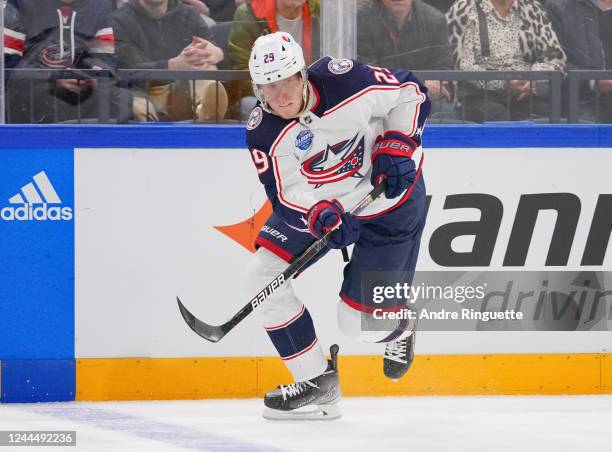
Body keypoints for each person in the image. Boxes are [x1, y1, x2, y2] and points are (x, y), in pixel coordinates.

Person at [245, 31, 429, 419]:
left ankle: (399, 326)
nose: (278, 96)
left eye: (284, 82)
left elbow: (411, 90)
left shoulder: (344, 79)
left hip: (389, 200)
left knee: (356, 325)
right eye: (267, 87)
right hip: (328, 205)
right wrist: (319, 214)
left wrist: (396, 145)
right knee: (262, 278)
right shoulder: (262, 130)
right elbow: (287, 192)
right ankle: (317, 384)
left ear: (301, 74)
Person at [3, 0, 124, 123]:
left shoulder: (101, 5)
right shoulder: (20, 3)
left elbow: (106, 61)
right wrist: (51, 77)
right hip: (29, 111)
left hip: (84, 106)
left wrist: (93, 74)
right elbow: (7, 64)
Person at [446, 0, 566, 122]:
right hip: (479, 94)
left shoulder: (533, 8)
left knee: (541, 112)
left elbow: (555, 58)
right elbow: (463, 65)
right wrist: (502, 82)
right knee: (495, 114)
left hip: (524, 93)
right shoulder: (464, 9)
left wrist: (534, 77)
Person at [113, 0, 228, 122]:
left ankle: (207, 113)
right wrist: (172, 65)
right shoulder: (120, 19)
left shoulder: (189, 13)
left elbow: (210, 47)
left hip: (184, 87)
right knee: (139, 107)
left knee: (202, 63)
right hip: (145, 90)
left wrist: (217, 53)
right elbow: (128, 69)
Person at [357, 0, 455, 118]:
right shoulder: (362, 18)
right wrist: (415, 85)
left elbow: (441, 70)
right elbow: (366, 69)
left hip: (420, 99)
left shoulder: (435, 19)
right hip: (377, 99)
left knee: (445, 113)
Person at [228, 0, 319, 119]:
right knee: (250, 105)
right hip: (269, 93)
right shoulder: (248, 14)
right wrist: (271, 90)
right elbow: (241, 68)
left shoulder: (322, 11)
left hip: (311, 91)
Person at [545, 0, 612, 123]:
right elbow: (554, 61)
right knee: (587, 133)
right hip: (581, 99)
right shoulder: (558, 7)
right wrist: (594, 82)